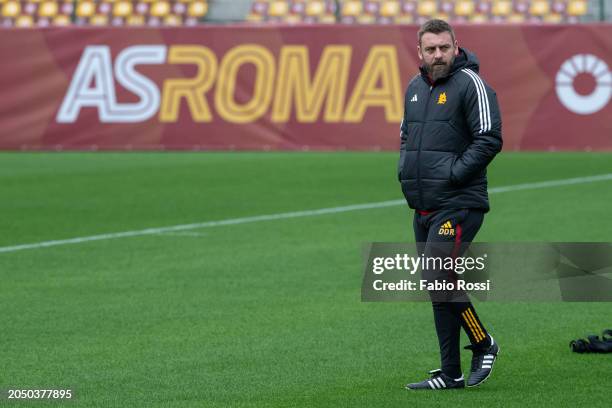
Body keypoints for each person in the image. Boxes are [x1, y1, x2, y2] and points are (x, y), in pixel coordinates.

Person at [398, 19, 503, 390]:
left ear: (456, 46)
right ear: (420, 52)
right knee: (437, 286)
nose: (438, 55)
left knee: (438, 275)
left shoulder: (471, 83)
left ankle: (483, 342)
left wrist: (454, 174)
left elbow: (489, 138)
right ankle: (451, 373)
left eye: (444, 47)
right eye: (431, 49)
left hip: (460, 202)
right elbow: (407, 137)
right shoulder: (413, 88)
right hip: (423, 206)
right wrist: (406, 171)